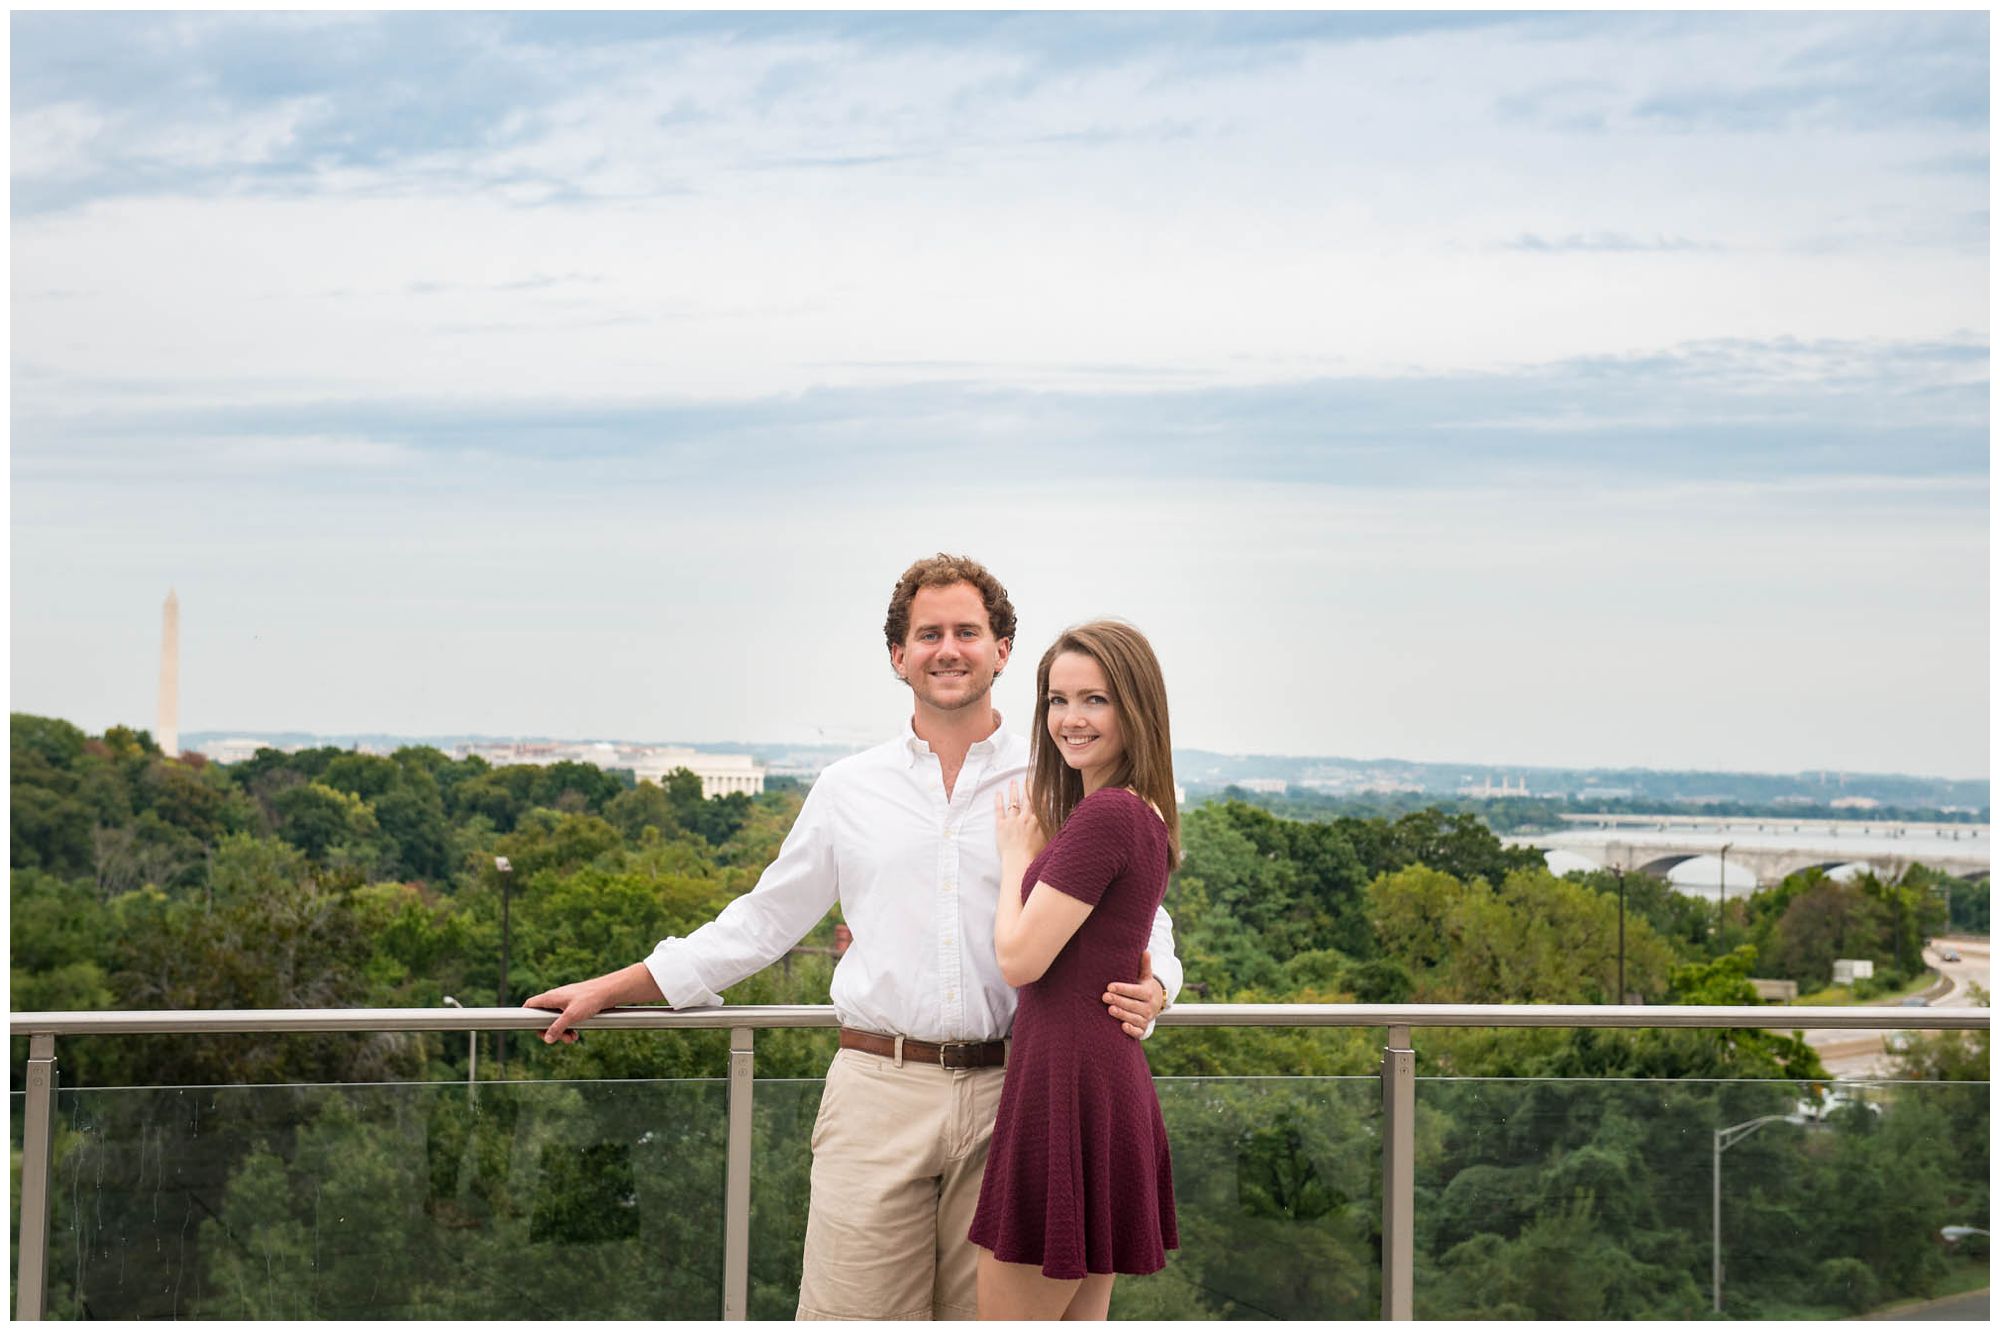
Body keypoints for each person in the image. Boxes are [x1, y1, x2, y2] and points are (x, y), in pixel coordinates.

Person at [523, 555, 1183, 1321]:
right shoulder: (849, 788)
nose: (948, 648)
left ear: (1003, 649)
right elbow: (762, 920)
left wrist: (1157, 986)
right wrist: (617, 986)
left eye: (968, 630)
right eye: (927, 633)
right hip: (879, 1091)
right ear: (897, 656)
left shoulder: (1062, 773)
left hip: (1019, 1094)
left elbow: (1141, 913)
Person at [969, 621, 1181, 1320]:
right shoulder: (1137, 812)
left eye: (1094, 699)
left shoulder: (1108, 815)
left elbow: (1019, 959)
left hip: (1069, 1083)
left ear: (1135, 707)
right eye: (1057, 700)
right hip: (1094, 1081)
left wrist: (1012, 860)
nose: (1071, 719)